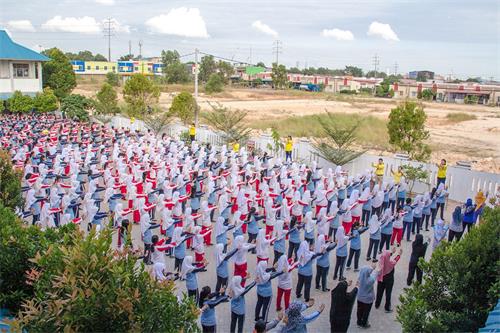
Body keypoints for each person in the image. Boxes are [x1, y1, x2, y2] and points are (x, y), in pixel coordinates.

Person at [374, 248, 402, 312]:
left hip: (381, 279)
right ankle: (387, 307)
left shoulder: (380, 262)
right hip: (389, 279)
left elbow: (385, 255)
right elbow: (395, 260)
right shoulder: (390, 263)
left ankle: (377, 304)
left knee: (379, 292)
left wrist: (392, 252)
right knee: (388, 293)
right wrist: (399, 254)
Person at [356, 264, 379, 329]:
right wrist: (374, 268)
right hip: (368, 299)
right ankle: (364, 323)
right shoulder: (370, 280)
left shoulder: (360, 277)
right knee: (366, 312)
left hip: (360, 297)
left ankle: (359, 322)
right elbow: (375, 273)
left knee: (359, 310)